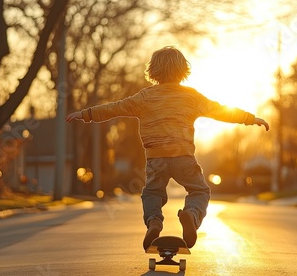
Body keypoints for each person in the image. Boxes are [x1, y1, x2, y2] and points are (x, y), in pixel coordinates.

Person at [65, 46, 269, 250]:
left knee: (152, 193)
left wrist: (85, 114)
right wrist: (250, 119)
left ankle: (154, 221)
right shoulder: (192, 97)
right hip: (184, 158)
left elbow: (114, 108)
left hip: (156, 160)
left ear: (153, 71)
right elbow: (221, 111)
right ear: (183, 71)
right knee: (199, 190)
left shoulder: (144, 97)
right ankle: (191, 214)